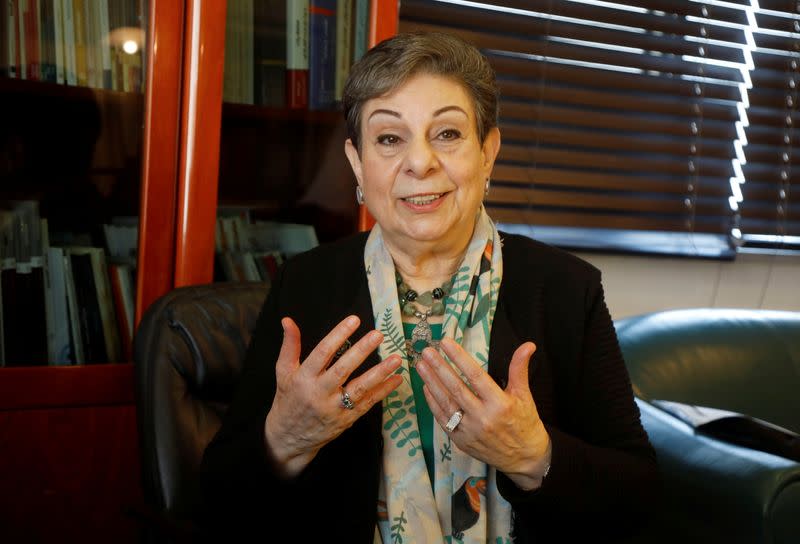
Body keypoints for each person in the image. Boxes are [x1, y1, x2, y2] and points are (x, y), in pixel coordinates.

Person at [196, 31, 659, 542]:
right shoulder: (306, 285)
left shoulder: (566, 290)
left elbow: (639, 497)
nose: (420, 163)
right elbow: (217, 502)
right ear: (357, 162)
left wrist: (534, 456)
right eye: (390, 139)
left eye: (447, 134)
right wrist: (282, 441)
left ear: (488, 152)